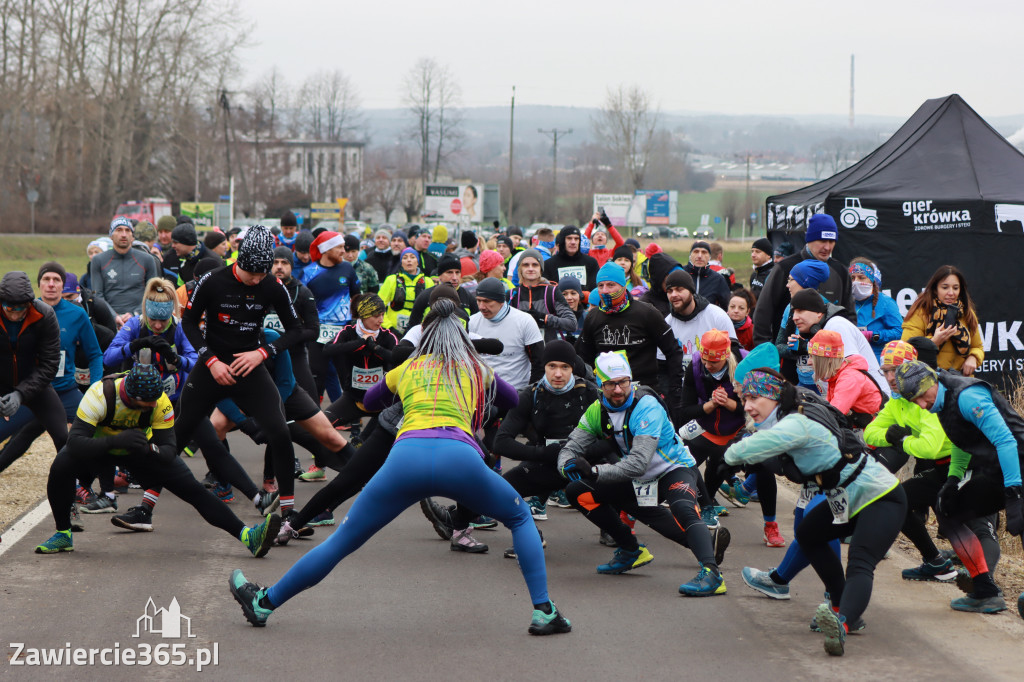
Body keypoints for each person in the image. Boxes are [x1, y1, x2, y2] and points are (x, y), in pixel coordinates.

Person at [228, 297, 573, 636]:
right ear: (463, 336)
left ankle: (265, 603)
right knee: (518, 517)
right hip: (460, 458)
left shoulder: (408, 368)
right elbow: (511, 400)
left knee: (343, 540)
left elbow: (374, 400)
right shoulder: (477, 370)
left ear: (425, 335)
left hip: (406, 458)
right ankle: (544, 611)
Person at [725, 367, 906, 657]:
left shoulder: (795, 422)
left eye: (755, 397)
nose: (747, 406)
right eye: (744, 398)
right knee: (808, 534)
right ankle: (839, 605)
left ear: (774, 396)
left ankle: (843, 623)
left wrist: (729, 454)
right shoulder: (788, 413)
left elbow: (753, 448)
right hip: (847, 496)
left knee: (860, 561)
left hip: (881, 496)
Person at [33, 362, 280, 557]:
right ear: (130, 397)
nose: (153, 405)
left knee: (193, 489)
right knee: (61, 467)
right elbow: (74, 442)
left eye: (155, 401)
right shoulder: (100, 394)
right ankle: (63, 534)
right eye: (146, 404)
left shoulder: (159, 402)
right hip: (100, 448)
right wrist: (115, 441)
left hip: (141, 451)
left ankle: (248, 536)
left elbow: (170, 450)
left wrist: (149, 450)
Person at [557, 352, 730, 596]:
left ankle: (713, 574)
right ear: (600, 385)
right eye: (610, 384)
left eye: (623, 382)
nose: (618, 390)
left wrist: (594, 471)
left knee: (682, 508)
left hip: (673, 469)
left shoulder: (646, 406)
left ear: (631, 380)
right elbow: (571, 447)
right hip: (639, 479)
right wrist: (565, 466)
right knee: (578, 492)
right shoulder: (597, 410)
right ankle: (630, 550)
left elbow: (638, 463)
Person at [175, 225, 306, 517]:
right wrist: (210, 360)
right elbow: (188, 323)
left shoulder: (272, 285)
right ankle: (145, 506)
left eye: (262, 275)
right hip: (212, 367)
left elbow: (298, 330)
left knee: (280, 432)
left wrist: (263, 353)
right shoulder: (212, 281)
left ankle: (288, 513)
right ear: (239, 264)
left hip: (250, 366)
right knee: (180, 435)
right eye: (252, 275)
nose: (257, 281)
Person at [861, 339, 999, 591]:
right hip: (943, 468)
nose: (891, 377)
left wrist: (901, 439)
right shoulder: (898, 401)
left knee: (981, 527)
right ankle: (935, 563)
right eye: (886, 371)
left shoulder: (929, 394)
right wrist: (891, 435)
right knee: (895, 500)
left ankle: (984, 585)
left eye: (897, 369)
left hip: (977, 466)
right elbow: (870, 432)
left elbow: (930, 446)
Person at [896, 360, 1023, 614]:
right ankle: (985, 591)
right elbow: (960, 440)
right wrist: (952, 481)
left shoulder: (968, 396)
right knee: (949, 510)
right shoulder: (942, 402)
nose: (922, 404)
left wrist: (1014, 492)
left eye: (922, 396)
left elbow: (1005, 441)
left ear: (932, 382)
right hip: (995, 470)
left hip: (1017, 465)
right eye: (915, 401)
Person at [0, 265, 101, 474]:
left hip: (63, 390)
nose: (51, 284)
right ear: (39, 284)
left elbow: (94, 353)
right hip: (28, 390)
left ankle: (98, 489)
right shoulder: (21, 308)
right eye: (46, 279)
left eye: (57, 279)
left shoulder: (71, 314)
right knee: (20, 440)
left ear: (64, 285)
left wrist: (95, 388)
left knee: (92, 432)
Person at [578, 263, 685, 424]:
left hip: (643, 394)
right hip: (608, 397)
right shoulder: (593, 318)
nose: (605, 290)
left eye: (611, 285)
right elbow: (582, 358)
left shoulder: (646, 313)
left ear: (623, 285)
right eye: (601, 286)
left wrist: (673, 391)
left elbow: (673, 351)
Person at [752, 214, 854, 345]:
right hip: (788, 356)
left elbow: (849, 317)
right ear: (809, 239)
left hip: (828, 357)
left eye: (831, 241)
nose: (827, 247)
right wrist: (766, 353)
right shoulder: (784, 268)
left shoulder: (840, 272)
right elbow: (763, 313)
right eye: (822, 241)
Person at [0, 271, 68, 455]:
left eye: (21, 309)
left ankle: (77, 483)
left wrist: (20, 395)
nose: (15, 315)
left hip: (34, 382)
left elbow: (50, 364)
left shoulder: (44, 315)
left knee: (63, 437)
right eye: (10, 309)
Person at [780, 289, 887, 395]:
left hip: (873, 401)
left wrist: (805, 347)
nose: (794, 318)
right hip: (852, 400)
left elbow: (850, 372)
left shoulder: (837, 325)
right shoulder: (823, 329)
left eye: (800, 311)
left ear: (818, 313)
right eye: (793, 312)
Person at [901, 265, 983, 375]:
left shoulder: (967, 312)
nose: (951, 293)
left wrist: (973, 357)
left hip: (961, 381)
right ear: (935, 289)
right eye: (945, 287)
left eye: (955, 288)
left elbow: (977, 347)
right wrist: (934, 342)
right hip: (930, 381)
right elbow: (907, 350)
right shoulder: (920, 312)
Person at [469, 278, 543, 391]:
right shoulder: (472, 322)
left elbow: (539, 362)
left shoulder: (524, 321)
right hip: (483, 392)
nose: (481, 307)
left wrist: (530, 393)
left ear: (501, 301)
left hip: (517, 391)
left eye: (487, 301)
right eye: (478, 300)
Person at [807, 329, 885, 428]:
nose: (809, 362)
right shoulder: (838, 375)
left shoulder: (849, 378)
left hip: (874, 437)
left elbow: (833, 415)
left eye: (812, 357)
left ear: (829, 359)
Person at [90, 217, 161, 325]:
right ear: (111, 236)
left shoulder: (147, 260)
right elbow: (97, 295)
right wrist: (114, 316)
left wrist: (134, 314)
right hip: (109, 319)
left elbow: (153, 294)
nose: (124, 234)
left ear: (132, 237)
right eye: (119, 230)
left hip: (140, 319)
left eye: (127, 230)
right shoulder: (98, 260)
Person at [509, 248, 577, 342]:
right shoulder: (512, 294)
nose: (530, 268)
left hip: (548, 351)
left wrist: (543, 318)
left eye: (535, 265)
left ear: (541, 269)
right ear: (520, 269)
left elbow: (571, 324)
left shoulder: (551, 292)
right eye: (526, 265)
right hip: (520, 351)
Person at [848, 258, 902, 362]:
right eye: (852, 278)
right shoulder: (845, 302)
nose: (856, 282)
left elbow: (899, 332)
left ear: (872, 281)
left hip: (876, 360)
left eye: (861, 278)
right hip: (850, 360)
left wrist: (874, 335)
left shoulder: (886, 303)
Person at [407, 254, 478, 329]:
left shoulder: (468, 297)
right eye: (449, 272)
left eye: (457, 272)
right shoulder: (425, 296)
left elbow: (476, 327)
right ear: (440, 275)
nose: (454, 277)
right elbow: (412, 327)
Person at [379, 247, 432, 336]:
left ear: (417, 262)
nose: (409, 260)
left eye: (412, 257)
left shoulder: (428, 282)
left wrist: (423, 326)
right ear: (401, 263)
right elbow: (379, 305)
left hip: (420, 330)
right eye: (405, 258)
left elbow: (430, 309)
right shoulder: (391, 280)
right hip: (393, 331)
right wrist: (389, 327)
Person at [543, 225, 599, 289]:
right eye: (569, 238)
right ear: (562, 241)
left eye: (576, 239)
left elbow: (595, 289)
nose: (573, 242)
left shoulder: (591, 263)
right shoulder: (548, 265)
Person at [683, 241, 730, 309]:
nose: (699, 256)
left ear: (709, 257)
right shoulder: (680, 274)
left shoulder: (718, 279)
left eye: (704, 252)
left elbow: (727, 306)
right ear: (690, 255)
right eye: (696, 252)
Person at [557, 276, 587, 344]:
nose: (569, 297)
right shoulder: (553, 318)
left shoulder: (587, 318)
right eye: (564, 294)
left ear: (580, 295)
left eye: (573, 293)